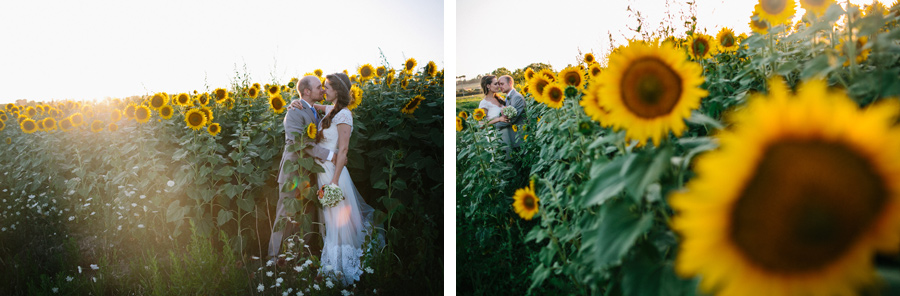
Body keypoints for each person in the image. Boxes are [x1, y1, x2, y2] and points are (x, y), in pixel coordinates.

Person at [291, 72, 381, 286]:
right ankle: (332, 265)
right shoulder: (332, 110)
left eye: (328, 87)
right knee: (330, 218)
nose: (324, 90)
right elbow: (310, 106)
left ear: (338, 91)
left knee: (337, 218)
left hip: (334, 174)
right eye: (322, 87)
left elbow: (344, 150)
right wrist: (296, 102)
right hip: (322, 171)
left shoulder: (344, 115)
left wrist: (334, 182)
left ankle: (342, 268)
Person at [268, 76, 334, 260]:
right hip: (293, 171)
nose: (322, 89)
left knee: (307, 213)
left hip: (309, 172)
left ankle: (300, 256)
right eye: (318, 87)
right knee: (285, 215)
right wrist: (330, 156)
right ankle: (274, 259)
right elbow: (301, 142)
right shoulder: (295, 112)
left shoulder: (315, 111)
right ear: (306, 91)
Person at [495, 75, 526, 151]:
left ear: (510, 83)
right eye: (499, 84)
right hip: (512, 136)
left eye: (502, 84)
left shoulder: (517, 97)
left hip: (519, 136)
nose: (500, 86)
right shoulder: (508, 97)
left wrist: (494, 126)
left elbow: (511, 119)